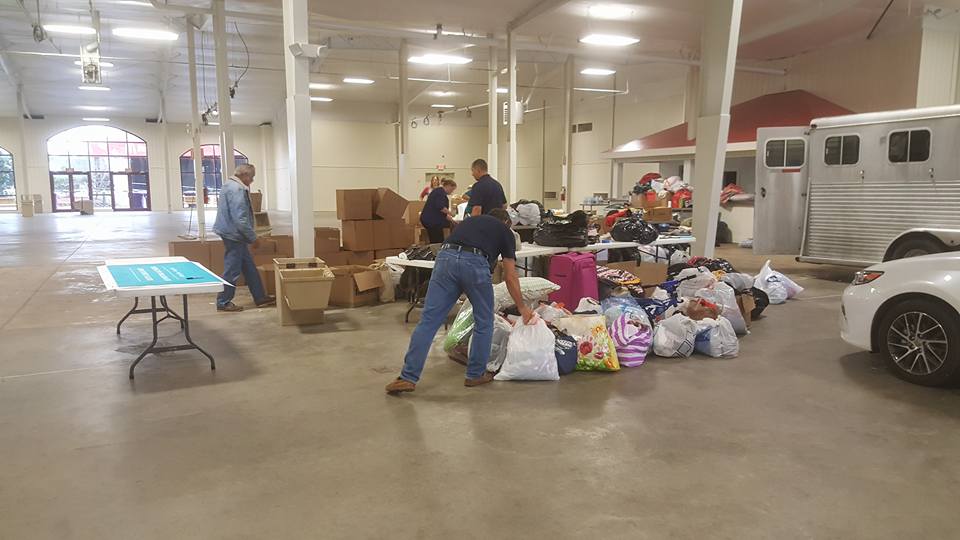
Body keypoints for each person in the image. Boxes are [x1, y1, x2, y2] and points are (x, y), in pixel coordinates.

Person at [386, 208, 534, 394]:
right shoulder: (505, 231)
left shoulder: (471, 222)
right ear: (506, 222)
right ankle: (475, 374)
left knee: (429, 322)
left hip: (445, 258)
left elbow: (458, 249)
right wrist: (522, 307)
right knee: (484, 321)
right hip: (474, 263)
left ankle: (407, 377)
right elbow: (510, 275)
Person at [212, 163, 276, 312]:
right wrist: (253, 237)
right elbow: (240, 219)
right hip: (234, 235)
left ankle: (260, 297)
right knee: (232, 269)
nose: (252, 181)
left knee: (249, 267)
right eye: (252, 177)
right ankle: (223, 301)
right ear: (245, 175)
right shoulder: (237, 189)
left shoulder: (228, 184)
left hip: (230, 231)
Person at [420, 179, 457, 244]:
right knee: (437, 241)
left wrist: (451, 220)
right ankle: (435, 252)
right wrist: (451, 214)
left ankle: (436, 250)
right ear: (448, 186)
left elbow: (439, 212)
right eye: (452, 189)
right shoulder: (440, 193)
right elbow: (441, 207)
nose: (452, 192)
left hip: (432, 220)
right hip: (432, 221)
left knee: (438, 238)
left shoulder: (439, 192)